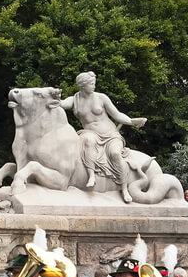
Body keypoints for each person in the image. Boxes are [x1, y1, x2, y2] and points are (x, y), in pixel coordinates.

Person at [54, 71, 148, 203]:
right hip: (90, 133)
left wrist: (131, 121)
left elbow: (117, 115)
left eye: (94, 83)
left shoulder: (101, 97)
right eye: (91, 84)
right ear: (82, 85)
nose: (94, 86)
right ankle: (91, 176)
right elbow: (62, 104)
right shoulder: (75, 99)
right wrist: (55, 96)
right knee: (87, 140)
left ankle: (124, 188)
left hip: (110, 134)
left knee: (115, 154)